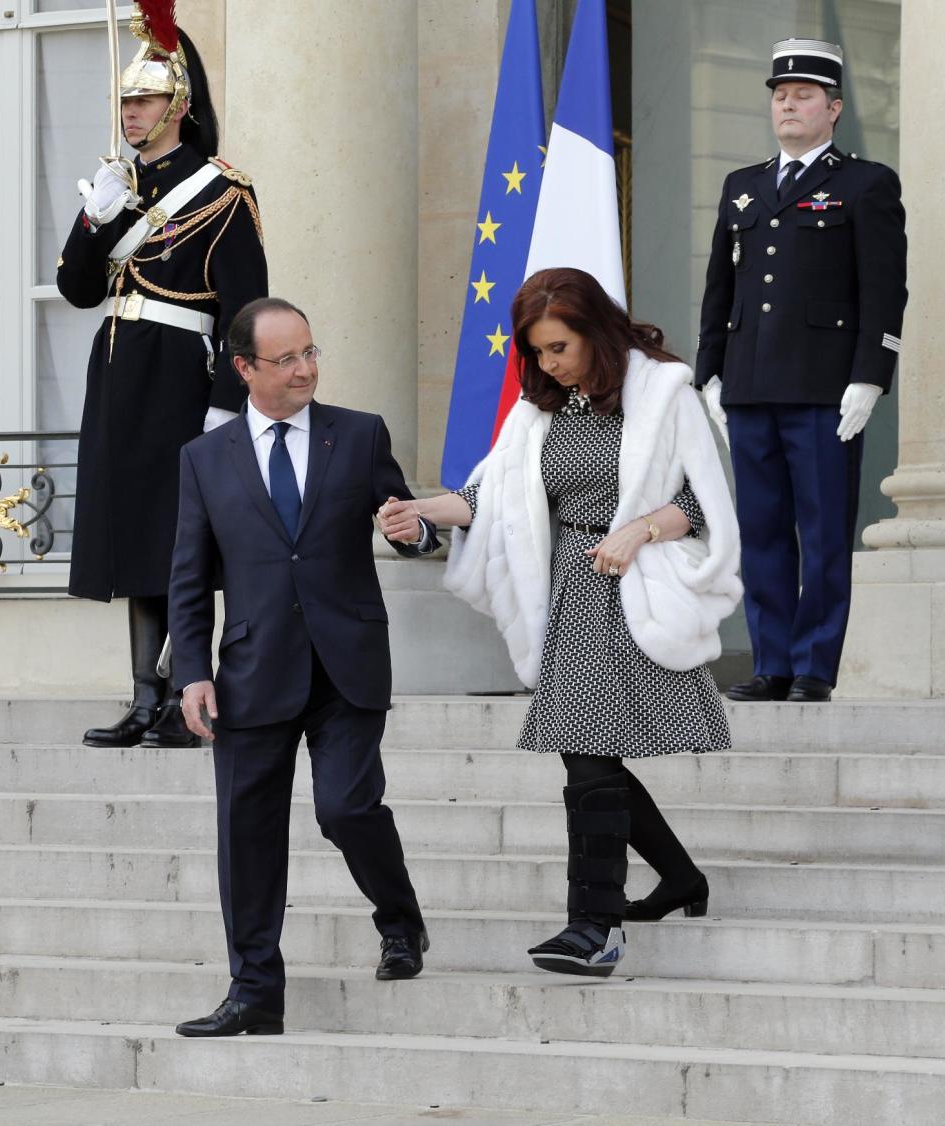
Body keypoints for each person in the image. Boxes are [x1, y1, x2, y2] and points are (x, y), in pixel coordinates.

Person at [379, 268, 742, 977]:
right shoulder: (539, 409)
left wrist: (638, 530)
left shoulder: (664, 392)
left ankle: (593, 925)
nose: (548, 364)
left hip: (634, 583)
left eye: (559, 347)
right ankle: (678, 880)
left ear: (596, 332)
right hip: (572, 591)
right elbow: (490, 497)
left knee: (589, 756)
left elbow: (706, 505)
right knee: (591, 753)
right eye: (537, 352)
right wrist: (421, 510)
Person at [168, 297, 439, 1036]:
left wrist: (411, 531)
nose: (305, 370)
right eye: (286, 359)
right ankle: (255, 992)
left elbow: (410, 524)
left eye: (311, 352)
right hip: (253, 671)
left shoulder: (358, 435)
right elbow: (189, 577)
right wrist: (190, 670)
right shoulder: (204, 459)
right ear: (245, 368)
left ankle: (400, 919)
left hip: (347, 662)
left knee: (346, 808)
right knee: (246, 833)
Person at [57, 3, 268, 748]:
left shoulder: (221, 192)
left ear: (178, 105)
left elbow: (245, 312)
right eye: (124, 101)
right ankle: (145, 696)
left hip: (181, 377)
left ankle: (188, 694)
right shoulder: (117, 186)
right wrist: (93, 223)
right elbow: (79, 291)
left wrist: (225, 405)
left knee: (181, 544)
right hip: (118, 375)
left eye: (142, 100)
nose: (130, 113)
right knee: (134, 538)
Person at [695, 39, 908, 704]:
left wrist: (870, 376)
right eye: (779, 96)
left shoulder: (865, 184)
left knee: (820, 534)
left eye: (803, 95)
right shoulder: (744, 186)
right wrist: (710, 373)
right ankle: (772, 663)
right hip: (751, 384)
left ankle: (814, 666)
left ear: (834, 108)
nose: (787, 103)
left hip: (824, 387)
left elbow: (883, 289)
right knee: (760, 533)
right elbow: (719, 290)